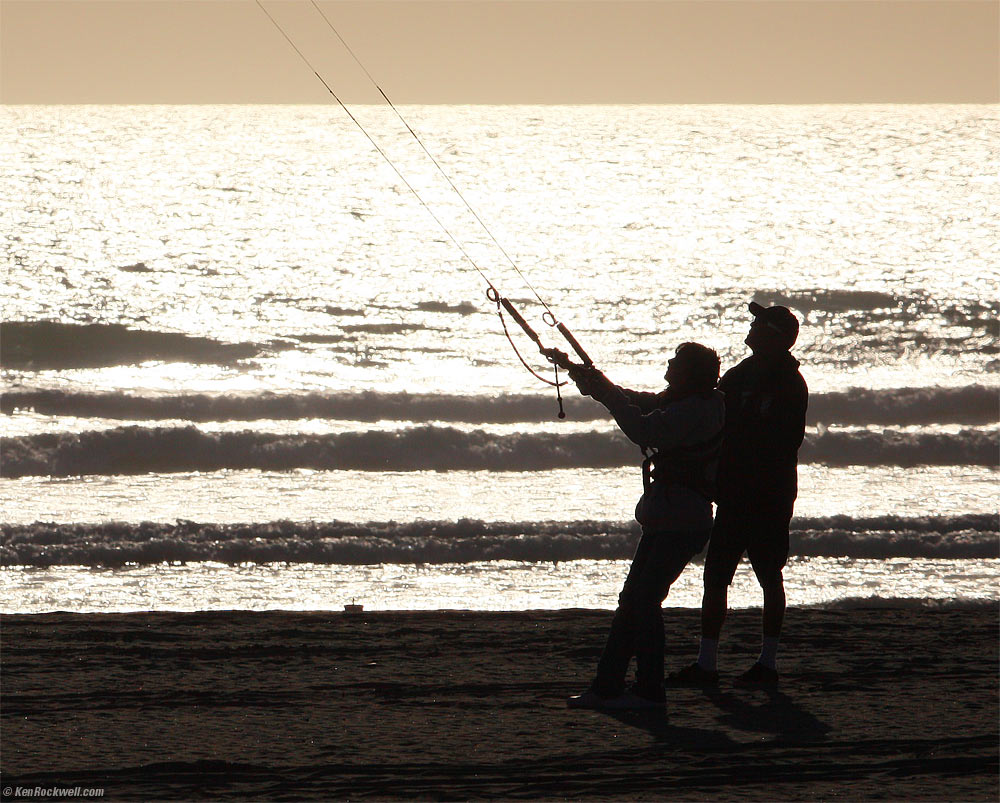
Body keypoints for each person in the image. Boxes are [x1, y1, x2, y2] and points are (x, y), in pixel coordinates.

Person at [558, 342, 725, 710]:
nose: (668, 363)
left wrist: (607, 394)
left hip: (680, 521)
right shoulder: (689, 402)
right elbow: (639, 401)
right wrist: (591, 378)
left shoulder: (694, 409)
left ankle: (648, 691)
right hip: (671, 518)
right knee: (632, 602)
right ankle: (607, 687)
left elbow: (642, 427)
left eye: (676, 362)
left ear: (689, 374)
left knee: (643, 603)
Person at [669, 302, 807, 688]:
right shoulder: (737, 375)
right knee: (716, 576)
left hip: (769, 497)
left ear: (776, 337)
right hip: (734, 494)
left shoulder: (791, 385)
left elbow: (784, 443)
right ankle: (707, 663)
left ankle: (767, 663)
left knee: (768, 575)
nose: (751, 326)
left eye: (759, 323)